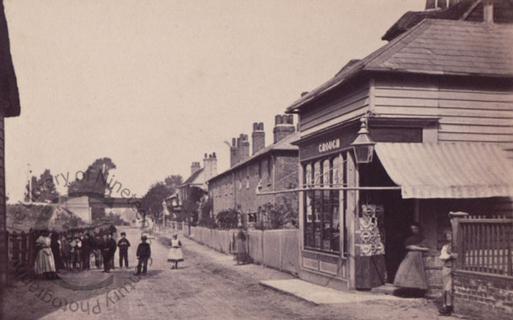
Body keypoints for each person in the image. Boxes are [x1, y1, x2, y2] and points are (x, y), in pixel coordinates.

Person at [393, 223, 430, 296]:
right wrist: (412, 247)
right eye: (412, 229)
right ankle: (407, 291)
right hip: (409, 257)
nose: (414, 230)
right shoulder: (409, 239)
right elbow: (407, 247)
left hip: (418, 258)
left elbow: (427, 248)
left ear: (419, 229)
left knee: (417, 273)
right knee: (407, 271)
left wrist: (416, 248)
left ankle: (416, 291)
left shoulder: (423, 238)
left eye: (415, 229)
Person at [439, 229, 457, 316]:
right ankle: (445, 306)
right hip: (447, 268)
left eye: (450, 235)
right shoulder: (445, 246)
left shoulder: (457, 246)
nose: (449, 237)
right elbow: (442, 257)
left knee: (449, 289)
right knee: (445, 289)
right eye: (447, 236)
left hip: (455, 269)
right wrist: (450, 256)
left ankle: (449, 307)